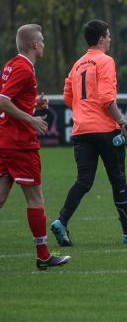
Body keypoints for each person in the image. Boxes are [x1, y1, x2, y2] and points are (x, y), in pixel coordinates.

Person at [51, 20, 127, 246]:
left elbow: (67, 98)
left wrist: (83, 111)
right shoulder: (105, 61)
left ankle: (61, 221)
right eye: (109, 36)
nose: (110, 40)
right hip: (105, 131)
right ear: (102, 38)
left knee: (84, 181)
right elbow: (106, 99)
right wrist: (124, 122)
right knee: (118, 179)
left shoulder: (77, 64)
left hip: (81, 130)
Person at [0, 24, 70, 269]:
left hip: (6, 139)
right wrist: (32, 119)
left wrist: (33, 106)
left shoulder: (11, 64)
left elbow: (12, 102)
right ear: (33, 45)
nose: (44, 45)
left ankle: (43, 255)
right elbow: (2, 101)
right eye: (42, 41)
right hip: (20, 143)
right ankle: (43, 255)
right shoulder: (23, 69)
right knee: (35, 198)